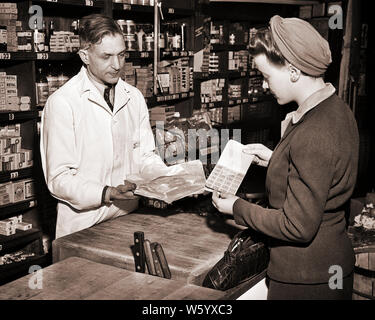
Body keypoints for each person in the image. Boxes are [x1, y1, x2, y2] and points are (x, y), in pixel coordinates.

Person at [212, 15, 359, 300]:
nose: (265, 86)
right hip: (330, 269)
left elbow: (297, 226)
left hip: (306, 280)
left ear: (293, 71)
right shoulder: (335, 109)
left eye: (267, 76)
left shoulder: (314, 131)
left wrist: (237, 207)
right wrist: (276, 159)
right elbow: (324, 172)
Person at [40, 14, 168, 239]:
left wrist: (168, 180)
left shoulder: (134, 97)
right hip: (83, 226)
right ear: (85, 56)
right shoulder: (63, 102)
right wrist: (106, 193)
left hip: (129, 217)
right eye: (106, 56)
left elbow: (146, 155)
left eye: (121, 55)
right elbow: (59, 179)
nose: (117, 65)